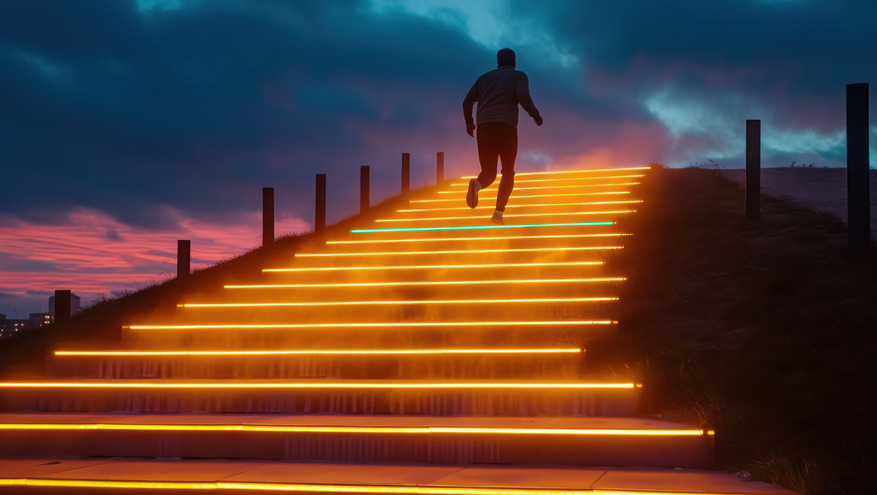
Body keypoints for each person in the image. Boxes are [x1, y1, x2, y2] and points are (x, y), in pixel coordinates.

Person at [463, 47, 542, 224]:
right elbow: (523, 96)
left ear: (498, 62)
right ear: (514, 62)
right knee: (507, 171)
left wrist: (469, 122)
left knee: (488, 172)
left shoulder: (484, 79)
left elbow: (467, 101)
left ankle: (476, 185)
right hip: (506, 128)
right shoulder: (518, 76)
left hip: (484, 128)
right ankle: (498, 212)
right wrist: (535, 115)